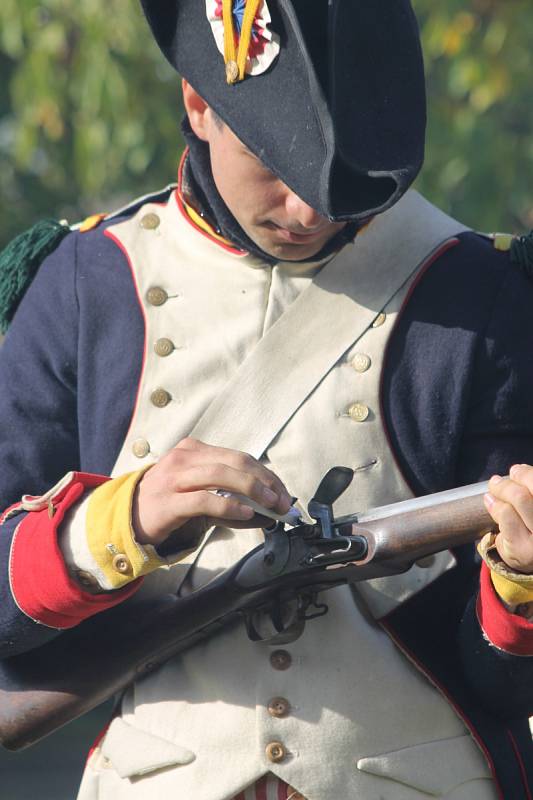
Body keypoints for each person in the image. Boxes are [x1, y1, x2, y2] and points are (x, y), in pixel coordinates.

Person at [0, 1, 532, 798]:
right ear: (198, 103)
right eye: (276, 163)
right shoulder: (82, 282)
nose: (309, 210)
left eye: (346, 170)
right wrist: (120, 523)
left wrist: (519, 578)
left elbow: (499, 686)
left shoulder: (483, 293)